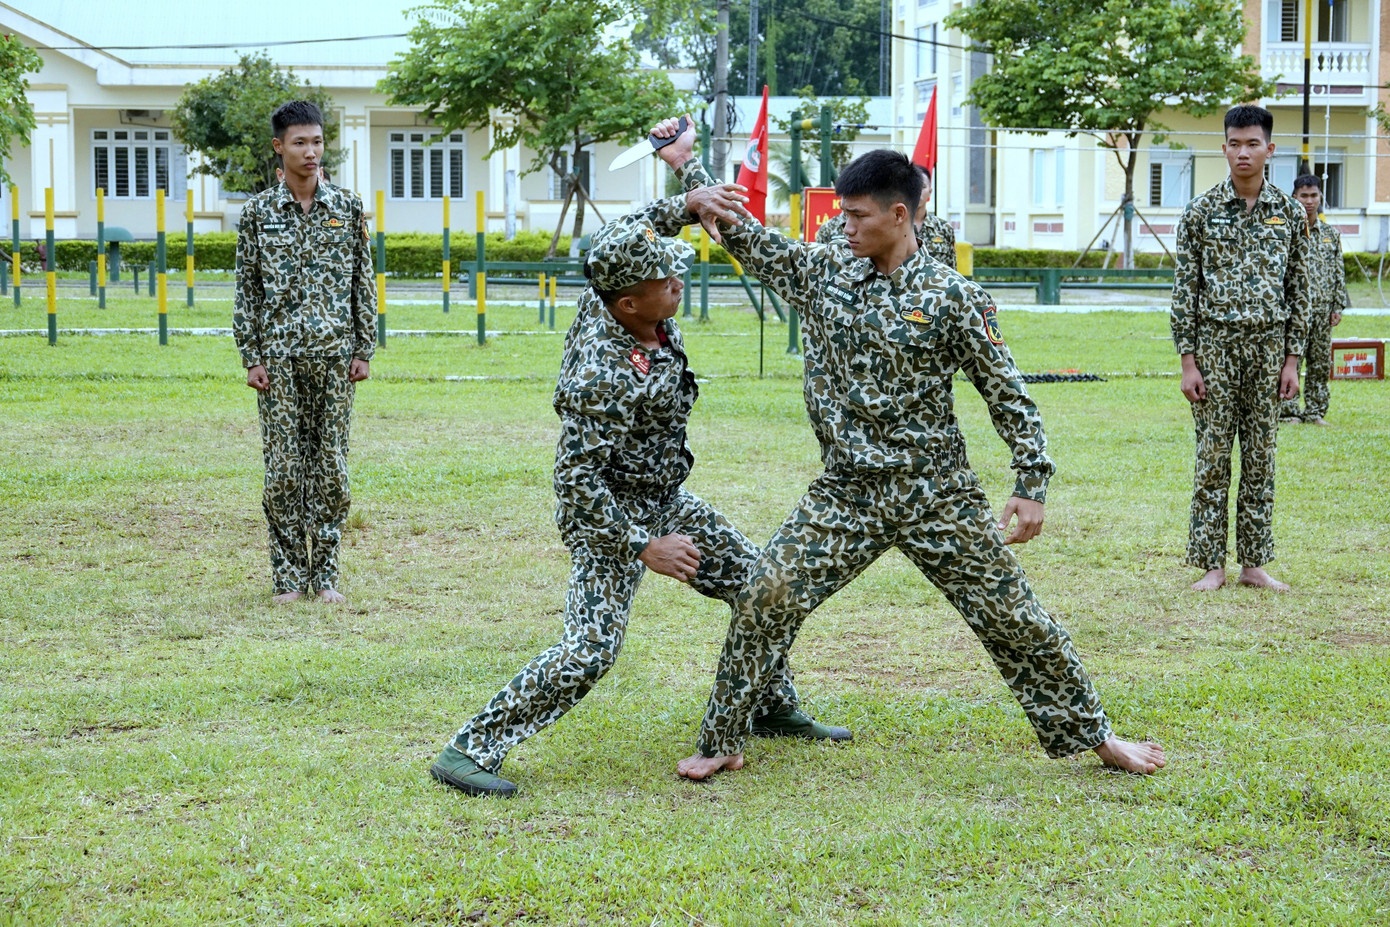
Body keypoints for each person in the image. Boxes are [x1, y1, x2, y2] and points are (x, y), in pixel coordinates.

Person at [644, 115, 1165, 782]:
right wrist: (687, 164)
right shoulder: (825, 273)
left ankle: (1098, 738)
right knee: (766, 593)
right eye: (842, 214)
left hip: (935, 494)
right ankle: (722, 738)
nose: (845, 226)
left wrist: (1031, 483)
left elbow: (1007, 392)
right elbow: (748, 236)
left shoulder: (952, 297)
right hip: (848, 491)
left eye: (858, 216)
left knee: (1014, 616)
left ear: (898, 214)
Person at [429, 204, 851, 799]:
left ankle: (769, 705)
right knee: (592, 648)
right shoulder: (602, 372)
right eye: (665, 279)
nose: (678, 281)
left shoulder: (621, 296)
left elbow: (622, 234)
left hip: (665, 499)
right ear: (627, 302)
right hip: (611, 517)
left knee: (763, 586)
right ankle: (468, 750)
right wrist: (642, 544)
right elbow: (575, 484)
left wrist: (685, 205)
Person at [233, 100, 376, 604]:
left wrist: (364, 347)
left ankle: (326, 573)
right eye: (300, 142)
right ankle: (289, 576)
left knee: (331, 466)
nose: (311, 151)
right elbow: (247, 289)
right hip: (279, 360)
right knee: (285, 469)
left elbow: (365, 282)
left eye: (316, 141)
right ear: (279, 147)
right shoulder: (256, 214)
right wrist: (251, 356)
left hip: (336, 357)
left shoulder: (349, 209)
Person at [1170, 104, 1310, 593]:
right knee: (1212, 458)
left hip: (1269, 351)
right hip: (1215, 349)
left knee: (1260, 458)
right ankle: (1212, 564)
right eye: (1235, 143)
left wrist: (1293, 360)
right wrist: (1188, 361)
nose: (1243, 152)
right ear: (1223, 147)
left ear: (1270, 149)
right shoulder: (1201, 213)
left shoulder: (1290, 213)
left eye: (1254, 143)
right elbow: (1185, 290)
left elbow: (1299, 290)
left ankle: (1253, 563)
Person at [1279, 174, 1347, 426]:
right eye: (1303, 196)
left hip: (1321, 311)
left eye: (1314, 196)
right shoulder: (1285, 232)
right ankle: (1288, 411)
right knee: (1289, 361)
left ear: (1320, 198)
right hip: (1293, 311)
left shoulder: (1330, 234)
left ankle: (1315, 412)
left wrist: (1337, 305)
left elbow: (1337, 271)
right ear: (1294, 198)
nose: (1309, 202)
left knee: (1320, 363)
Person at [817, 165, 956, 269]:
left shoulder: (943, 229)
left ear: (898, 215)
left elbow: (952, 268)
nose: (848, 230)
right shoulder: (830, 229)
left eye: (859, 216)